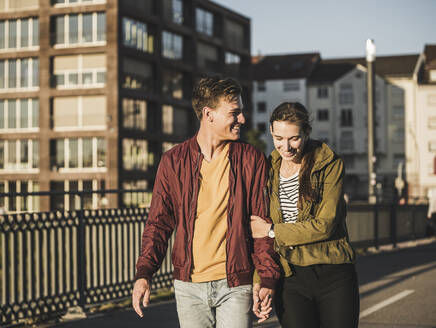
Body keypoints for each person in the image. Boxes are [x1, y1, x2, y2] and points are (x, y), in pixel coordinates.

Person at [132, 76, 280, 327]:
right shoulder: (173, 161)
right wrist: (144, 273)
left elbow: (262, 227)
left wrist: (266, 279)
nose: (242, 119)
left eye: (241, 112)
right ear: (208, 114)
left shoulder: (251, 159)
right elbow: (158, 224)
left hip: (235, 284)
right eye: (235, 113)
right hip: (188, 287)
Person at [251, 102, 359, 328]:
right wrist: (261, 280)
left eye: (294, 138)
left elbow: (325, 225)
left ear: (307, 133)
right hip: (290, 278)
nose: (286, 146)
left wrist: (273, 231)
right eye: (278, 138)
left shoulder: (329, 164)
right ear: (271, 132)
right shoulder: (268, 169)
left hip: (333, 273)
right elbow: (261, 237)